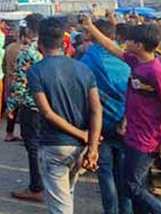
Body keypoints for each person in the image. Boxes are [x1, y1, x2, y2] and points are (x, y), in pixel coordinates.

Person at [83, 17, 161, 214]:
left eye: (129, 40)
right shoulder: (135, 62)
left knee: (132, 185)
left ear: (139, 45)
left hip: (147, 138)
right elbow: (110, 47)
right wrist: (91, 28)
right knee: (131, 184)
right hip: (133, 134)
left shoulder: (156, 71)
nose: (124, 43)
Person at [29, 17, 102, 214]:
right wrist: (92, 145)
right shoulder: (83, 69)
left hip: (56, 145)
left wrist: (82, 135)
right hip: (80, 147)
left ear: (40, 42)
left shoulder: (36, 71)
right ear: (64, 42)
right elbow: (96, 110)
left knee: (61, 207)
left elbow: (47, 113)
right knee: (66, 196)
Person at [80, 19, 132, 214]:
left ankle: (110, 211)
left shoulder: (86, 61)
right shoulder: (126, 59)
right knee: (124, 175)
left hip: (100, 124)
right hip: (126, 122)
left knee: (106, 173)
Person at [6, 13, 44, 202]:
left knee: (33, 147)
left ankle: (36, 186)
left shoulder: (28, 52)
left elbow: (21, 82)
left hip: (31, 104)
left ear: (29, 29)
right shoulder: (52, 48)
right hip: (49, 105)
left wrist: (11, 106)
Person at [2, 27, 25, 140]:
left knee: (12, 107)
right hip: (21, 81)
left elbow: (4, 64)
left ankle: (9, 133)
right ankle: (24, 134)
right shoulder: (25, 50)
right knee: (24, 108)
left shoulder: (8, 48)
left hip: (9, 79)